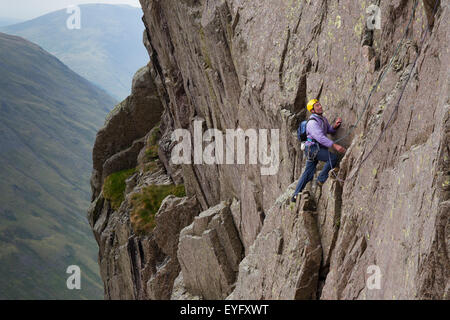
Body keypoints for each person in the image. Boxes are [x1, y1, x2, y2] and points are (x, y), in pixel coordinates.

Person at [291, 99, 346, 202]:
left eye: (319, 105)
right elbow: (320, 137)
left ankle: (295, 195)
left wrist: (334, 126)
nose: (320, 107)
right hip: (313, 148)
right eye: (317, 106)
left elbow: (328, 130)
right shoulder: (312, 123)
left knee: (308, 172)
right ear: (312, 110)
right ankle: (320, 179)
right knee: (333, 158)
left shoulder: (322, 119)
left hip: (314, 148)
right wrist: (334, 145)